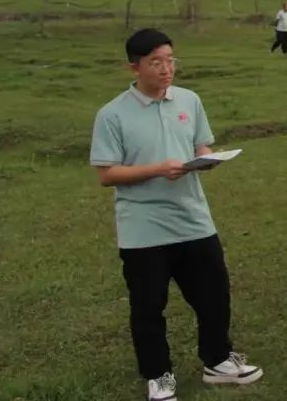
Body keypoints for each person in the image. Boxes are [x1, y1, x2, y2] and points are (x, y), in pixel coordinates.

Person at [89, 28, 262, 401]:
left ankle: (217, 360)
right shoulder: (112, 114)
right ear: (134, 67)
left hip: (193, 219)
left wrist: (206, 159)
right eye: (156, 62)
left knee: (214, 295)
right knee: (149, 306)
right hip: (143, 228)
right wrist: (156, 169)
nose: (166, 69)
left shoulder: (189, 100)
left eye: (170, 60)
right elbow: (107, 174)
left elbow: (200, 144)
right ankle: (158, 375)